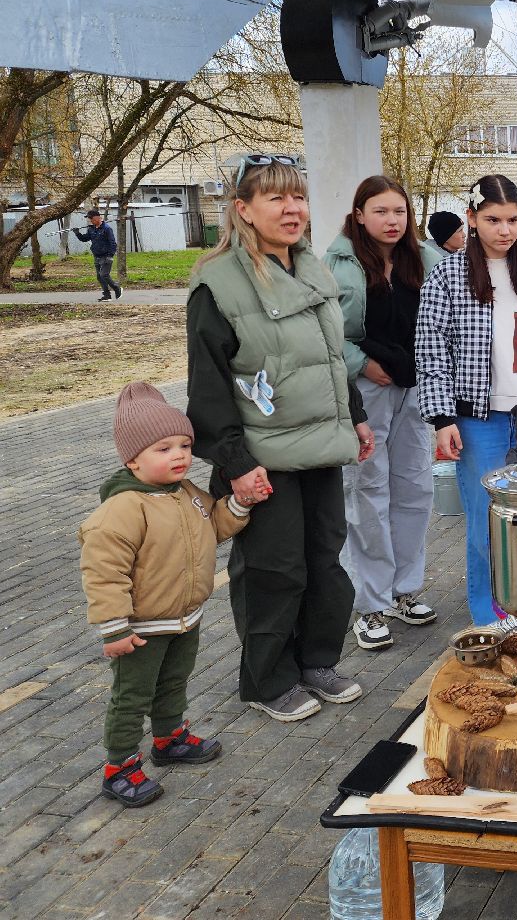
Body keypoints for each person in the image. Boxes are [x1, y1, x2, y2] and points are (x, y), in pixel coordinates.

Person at [187, 154, 373, 724]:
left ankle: (317, 660)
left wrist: (357, 416)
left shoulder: (312, 268)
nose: (292, 209)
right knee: (273, 569)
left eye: (298, 196)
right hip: (262, 459)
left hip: (321, 447)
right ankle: (267, 679)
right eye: (275, 198)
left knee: (325, 562)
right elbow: (209, 387)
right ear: (242, 209)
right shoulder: (217, 283)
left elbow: (331, 357)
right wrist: (235, 462)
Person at [80, 383, 258, 807]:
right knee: (131, 697)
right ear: (132, 459)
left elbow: (211, 528)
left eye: (183, 445)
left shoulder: (187, 494)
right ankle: (119, 766)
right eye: (163, 448)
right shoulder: (122, 510)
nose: (178, 455)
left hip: (184, 618)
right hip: (140, 627)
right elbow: (103, 573)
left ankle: (169, 737)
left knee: (174, 681)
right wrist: (113, 629)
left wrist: (239, 504)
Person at [417, 174, 517, 624]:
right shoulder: (447, 275)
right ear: (472, 218)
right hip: (478, 418)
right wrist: (442, 417)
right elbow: (430, 348)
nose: (504, 230)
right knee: (487, 526)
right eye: (492, 219)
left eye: (512, 219)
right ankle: (490, 620)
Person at [325, 176, 442, 652]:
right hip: (367, 390)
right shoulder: (336, 264)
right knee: (368, 492)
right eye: (380, 211)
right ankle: (370, 603)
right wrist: (362, 365)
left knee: (415, 487)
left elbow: (443, 321)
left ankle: (405, 590)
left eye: (399, 211)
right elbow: (329, 333)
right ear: (359, 214)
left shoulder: (428, 259)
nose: (392, 221)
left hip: (416, 388)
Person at [73, 208, 122, 301]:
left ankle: (116, 287)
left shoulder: (107, 229)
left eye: (91, 219)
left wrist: (110, 256)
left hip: (106, 255)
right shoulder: (91, 229)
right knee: (100, 277)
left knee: (104, 274)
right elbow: (85, 239)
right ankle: (107, 295)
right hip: (97, 256)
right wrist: (77, 233)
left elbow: (113, 243)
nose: (90, 221)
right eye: (89, 219)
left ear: (97, 218)